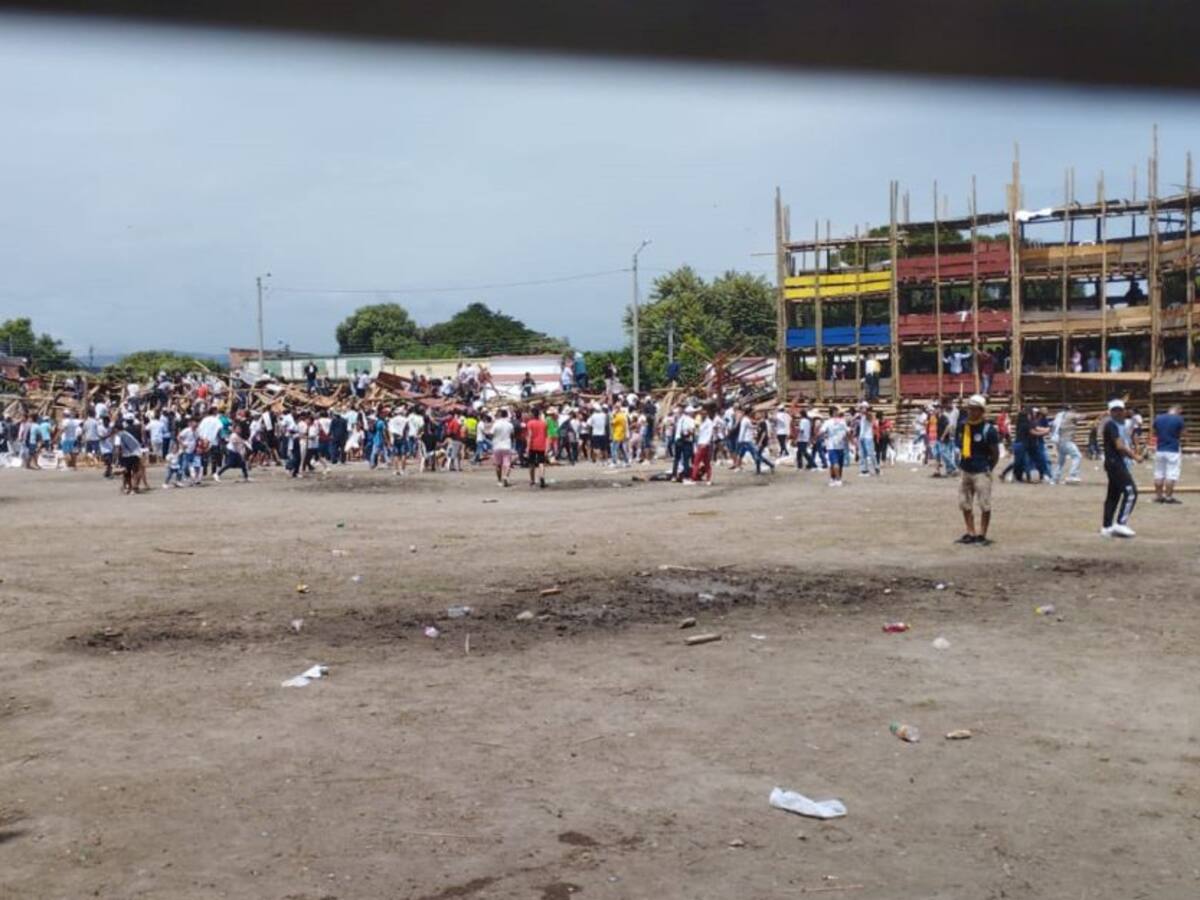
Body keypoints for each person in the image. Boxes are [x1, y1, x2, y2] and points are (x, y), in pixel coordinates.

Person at [951, 394, 1000, 544]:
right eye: (969, 409)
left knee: (984, 503)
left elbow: (995, 453)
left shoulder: (988, 430)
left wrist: (988, 467)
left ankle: (982, 534)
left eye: (974, 409)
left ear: (981, 411)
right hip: (966, 469)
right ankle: (970, 532)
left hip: (981, 470)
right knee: (964, 503)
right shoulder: (963, 427)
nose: (970, 412)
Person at [1099, 400, 1140, 537]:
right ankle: (1121, 523)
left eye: (1120, 410)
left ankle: (1107, 526)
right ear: (1110, 412)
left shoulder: (1119, 425)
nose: (1118, 412)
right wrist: (1135, 456)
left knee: (1113, 495)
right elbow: (1119, 446)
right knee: (1131, 492)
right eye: (1115, 410)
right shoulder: (1111, 425)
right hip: (1115, 463)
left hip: (1114, 462)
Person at [1152, 403, 1184, 504]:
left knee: (1159, 474)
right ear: (1178, 410)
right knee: (1171, 474)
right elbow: (1183, 433)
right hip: (1173, 449)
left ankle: (1159, 496)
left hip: (1160, 449)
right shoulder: (1179, 419)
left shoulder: (1158, 418)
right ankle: (1168, 497)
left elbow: (1154, 432)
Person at [1051, 403, 1082, 484]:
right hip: (1066, 440)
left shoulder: (1059, 416)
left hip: (1060, 441)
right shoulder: (1070, 415)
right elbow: (1083, 416)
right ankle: (1073, 475)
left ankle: (1055, 478)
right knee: (1077, 456)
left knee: (1060, 461)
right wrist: (1103, 413)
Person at [820, 406, 848, 487]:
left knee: (834, 463)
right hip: (837, 445)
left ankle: (835, 478)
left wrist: (815, 438)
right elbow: (847, 432)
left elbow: (822, 431)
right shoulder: (841, 421)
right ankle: (836, 478)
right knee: (837, 463)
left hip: (834, 445)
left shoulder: (829, 422)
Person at [525, 406, 548, 488]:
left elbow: (530, 436)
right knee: (541, 462)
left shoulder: (530, 423)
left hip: (533, 445)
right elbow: (546, 436)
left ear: (532, 414)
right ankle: (541, 476)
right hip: (542, 444)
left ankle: (532, 480)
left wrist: (527, 447)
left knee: (531, 463)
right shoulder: (543, 423)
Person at [671, 405, 695, 482]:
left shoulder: (680, 419)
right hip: (686, 441)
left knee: (676, 459)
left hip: (678, 440)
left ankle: (674, 476)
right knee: (686, 459)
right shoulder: (691, 420)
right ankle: (686, 477)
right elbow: (690, 431)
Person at [491, 408, 515, 487]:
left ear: (500, 415)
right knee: (507, 464)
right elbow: (512, 434)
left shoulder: (496, 424)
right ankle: (506, 476)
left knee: (498, 464)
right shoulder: (509, 424)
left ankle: (499, 480)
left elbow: (491, 433)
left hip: (497, 446)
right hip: (507, 445)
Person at [855, 405, 880, 477]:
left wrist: (864, 412)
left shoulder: (870, 415)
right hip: (862, 437)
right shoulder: (861, 416)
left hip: (868, 437)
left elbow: (870, 419)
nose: (861, 409)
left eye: (863, 408)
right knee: (862, 454)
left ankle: (876, 467)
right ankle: (864, 470)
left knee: (870, 453)